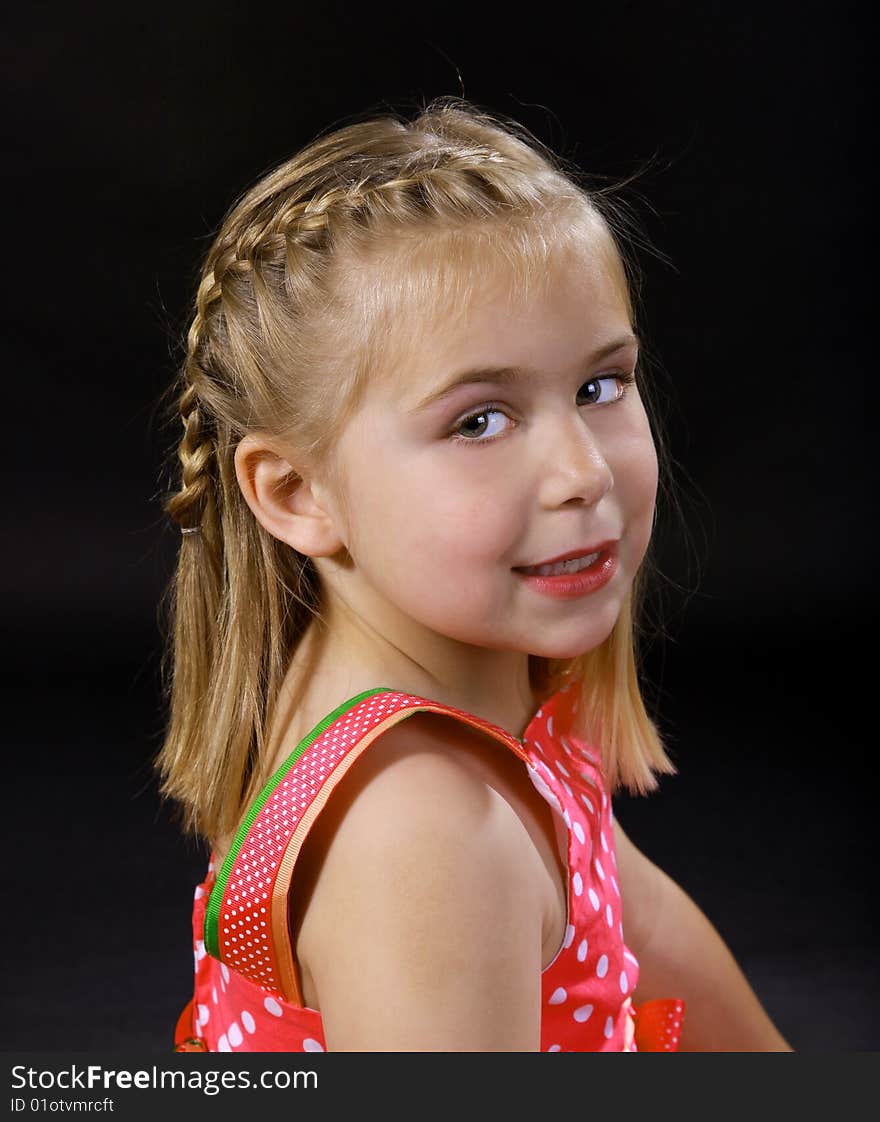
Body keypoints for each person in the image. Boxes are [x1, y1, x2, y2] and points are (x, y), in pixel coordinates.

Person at [156, 96, 793, 1053]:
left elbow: (636, 919)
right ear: (295, 493)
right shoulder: (430, 835)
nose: (582, 474)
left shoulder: (476, 709)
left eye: (600, 386)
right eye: (479, 420)